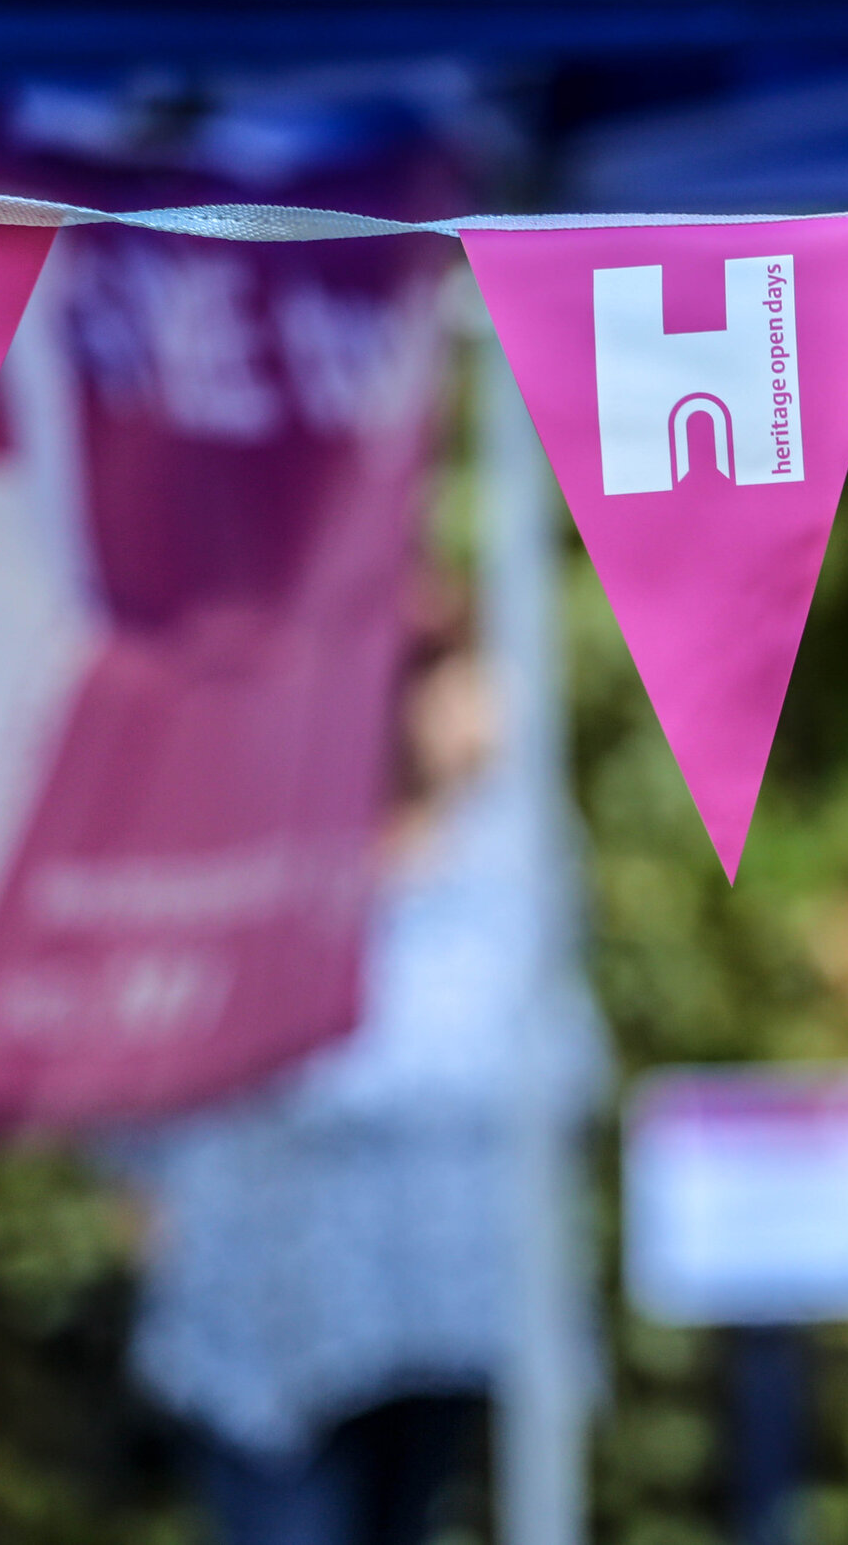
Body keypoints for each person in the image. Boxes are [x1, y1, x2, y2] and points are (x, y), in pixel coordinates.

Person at [120, 609, 608, 1545]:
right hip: (267, 1296)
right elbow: (149, 1020)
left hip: (441, 1291)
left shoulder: (512, 838)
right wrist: (139, 1185)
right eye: (442, 672)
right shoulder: (250, 821)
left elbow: (554, 1045)